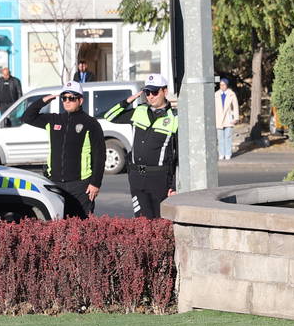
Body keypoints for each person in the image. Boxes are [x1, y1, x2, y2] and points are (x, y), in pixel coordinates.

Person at [21, 84, 105, 216]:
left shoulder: (91, 123)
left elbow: (100, 156)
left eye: (71, 98)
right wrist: (43, 101)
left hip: (80, 185)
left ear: (80, 100)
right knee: (57, 224)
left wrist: (95, 183)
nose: (67, 101)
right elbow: (27, 117)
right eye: (64, 98)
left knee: (80, 227)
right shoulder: (54, 120)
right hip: (54, 184)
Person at [103, 73, 178, 218]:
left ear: (165, 91)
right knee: (141, 221)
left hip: (159, 178)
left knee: (159, 221)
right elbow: (109, 116)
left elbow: (178, 157)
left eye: (155, 92)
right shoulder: (140, 110)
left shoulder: (174, 118)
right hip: (137, 176)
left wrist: (173, 186)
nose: (150, 96)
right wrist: (128, 100)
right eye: (147, 92)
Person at [214, 78, 239, 160]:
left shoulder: (231, 94)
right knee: (220, 137)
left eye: (223, 84)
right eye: (220, 85)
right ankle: (221, 153)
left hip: (228, 118)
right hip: (219, 119)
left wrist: (236, 118)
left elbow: (235, 106)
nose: (222, 86)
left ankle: (228, 153)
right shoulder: (216, 94)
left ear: (226, 85)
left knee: (228, 137)